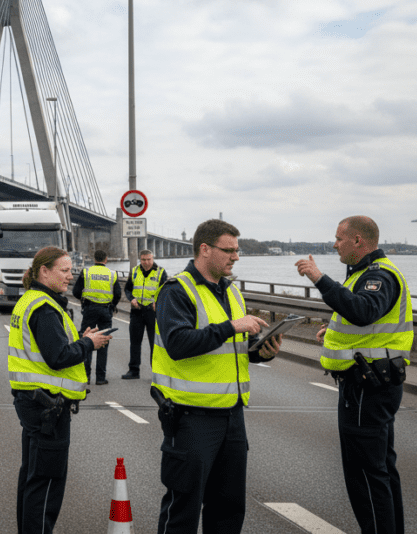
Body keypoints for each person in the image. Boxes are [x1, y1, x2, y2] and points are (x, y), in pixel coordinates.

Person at [152, 219, 281, 534]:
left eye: (237, 251)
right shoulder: (176, 290)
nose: (235, 257)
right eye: (229, 250)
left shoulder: (231, 291)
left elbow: (232, 348)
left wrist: (260, 351)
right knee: (183, 508)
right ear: (204, 249)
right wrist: (232, 327)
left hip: (232, 415)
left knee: (229, 508)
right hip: (191, 416)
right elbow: (178, 344)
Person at [296, 216, 411, 534]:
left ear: (358, 240)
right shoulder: (364, 274)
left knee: (365, 475)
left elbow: (363, 311)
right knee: (381, 471)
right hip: (370, 382)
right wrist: (330, 331)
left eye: (338, 238)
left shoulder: (379, 276)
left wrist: (319, 278)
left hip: (367, 386)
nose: (334, 244)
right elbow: (362, 322)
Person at [9, 246, 113, 534]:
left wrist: (80, 339)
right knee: (46, 483)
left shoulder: (31, 300)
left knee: (32, 479)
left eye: (71, 270)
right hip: (47, 407)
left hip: (34, 402)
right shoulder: (45, 307)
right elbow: (58, 358)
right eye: (65, 271)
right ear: (45, 271)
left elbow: (51, 349)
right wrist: (89, 344)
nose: (70, 276)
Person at [71, 249, 120, 385]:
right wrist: (112, 305)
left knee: (87, 340)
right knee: (103, 342)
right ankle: (100, 378)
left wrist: (84, 300)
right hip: (105, 311)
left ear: (94, 259)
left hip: (89, 309)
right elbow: (117, 295)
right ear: (106, 259)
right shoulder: (112, 274)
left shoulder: (86, 272)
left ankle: (85, 376)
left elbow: (75, 291)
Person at [121, 248, 167, 379]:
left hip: (152, 312)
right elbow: (128, 289)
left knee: (155, 343)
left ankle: (157, 373)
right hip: (137, 311)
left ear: (153, 259)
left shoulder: (161, 272)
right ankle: (133, 370)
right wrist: (131, 299)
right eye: (143, 260)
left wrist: (158, 302)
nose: (146, 262)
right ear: (140, 260)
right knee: (135, 342)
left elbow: (166, 291)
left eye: (148, 259)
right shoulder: (135, 271)